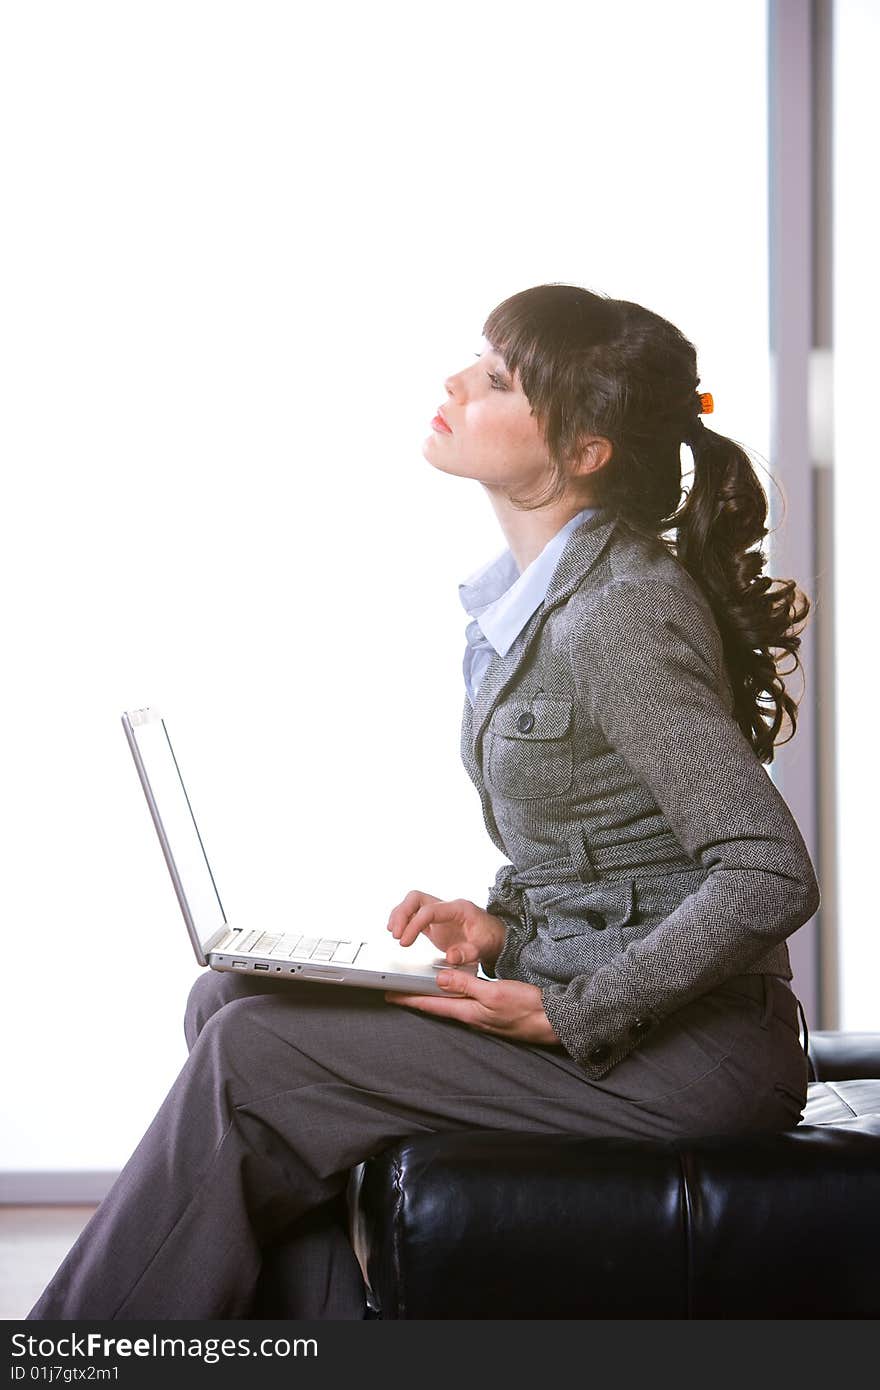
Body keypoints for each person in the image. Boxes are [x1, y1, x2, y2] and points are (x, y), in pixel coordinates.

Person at [27, 282, 819, 1321]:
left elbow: (767, 872)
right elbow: (621, 847)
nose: (457, 381)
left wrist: (570, 1006)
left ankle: (68, 1354)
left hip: (694, 1057)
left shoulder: (616, 615)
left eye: (498, 379)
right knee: (229, 1002)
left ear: (583, 451)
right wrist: (503, 925)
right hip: (632, 1022)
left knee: (254, 1054)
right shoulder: (529, 597)